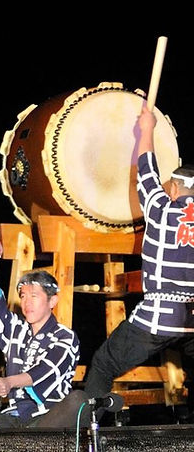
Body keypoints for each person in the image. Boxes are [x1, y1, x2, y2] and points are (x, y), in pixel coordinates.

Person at [79, 105, 194, 403]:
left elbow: (146, 169)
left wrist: (146, 130)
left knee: (104, 364)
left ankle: (90, 434)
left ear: (173, 190)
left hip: (157, 318)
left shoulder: (162, 209)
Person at [0, 237, 80, 427]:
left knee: (78, 401)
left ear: (52, 301)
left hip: (48, 414)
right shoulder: (16, 329)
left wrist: (8, 382)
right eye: (23, 296)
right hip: (15, 416)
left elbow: (42, 372)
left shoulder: (65, 337)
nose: (26, 303)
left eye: (34, 296)